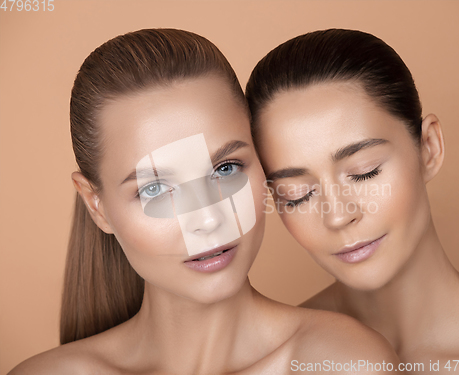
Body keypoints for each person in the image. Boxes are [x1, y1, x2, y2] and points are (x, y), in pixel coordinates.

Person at [8, 28, 400, 375]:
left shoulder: (345, 363)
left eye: (225, 169)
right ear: (97, 206)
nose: (208, 220)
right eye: (155, 189)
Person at [245, 28, 459, 367]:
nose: (337, 216)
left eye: (365, 172)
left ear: (429, 148)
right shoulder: (269, 362)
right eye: (297, 194)